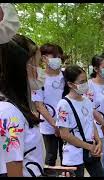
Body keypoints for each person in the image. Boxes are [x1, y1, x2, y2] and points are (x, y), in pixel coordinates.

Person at [0, 34, 45, 177]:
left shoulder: (14, 108)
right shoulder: (11, 114)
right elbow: (14, 170)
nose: (40, 70)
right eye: (37, 64)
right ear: (21, 66)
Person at [56, 65, 104, 177]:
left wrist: (98, 142)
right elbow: (64, 134)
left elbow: (91, 122)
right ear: (70, 84)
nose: (85, 84)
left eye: (86, 80)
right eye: (82, 81)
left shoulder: (87, 101)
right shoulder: (64, 104)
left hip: (91, 152)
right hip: (73, 155)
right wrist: (88, 146)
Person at [32, 43, 65, 167]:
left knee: (67, 155)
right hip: (48, 124)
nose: (58, 59)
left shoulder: (66, 76)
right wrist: (54, 124)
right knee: (51, 156)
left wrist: (62, 124)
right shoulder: (39, 78)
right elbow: (39, 105)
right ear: (44, 58)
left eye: (59, 56)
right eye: (54, 56)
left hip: (67, 125)